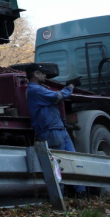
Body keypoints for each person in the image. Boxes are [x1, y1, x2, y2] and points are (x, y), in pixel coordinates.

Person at [24, 63, 86, 195]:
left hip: (58, 129)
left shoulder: (38, 89)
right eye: (43, 73)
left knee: (73, 162)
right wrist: (70, 86)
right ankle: (59, 197)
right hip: (51, 131)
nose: (45, 76)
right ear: (36, 74)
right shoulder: (35, 90)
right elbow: (57, 97)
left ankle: (81, 194)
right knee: (58, 165)